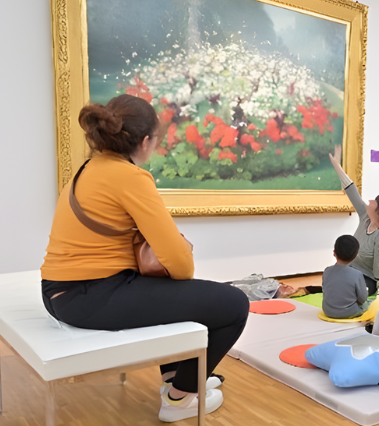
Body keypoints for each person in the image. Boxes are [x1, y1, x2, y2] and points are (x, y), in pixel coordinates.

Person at [40, 95, 249, 423]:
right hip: (88, 296)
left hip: (59, 292)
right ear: (147, 141)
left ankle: (174, 378)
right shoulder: (130, 177)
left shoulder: (88, 168)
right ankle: (180, 399)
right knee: (233, 304)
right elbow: (181, 265)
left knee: (174, 295)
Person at [329, 145, 379, 297]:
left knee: (351, 292)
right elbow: (351, 190)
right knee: (331, 282)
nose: (369, 201)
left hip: (366, 276)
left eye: (374, 202)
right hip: (348, 268)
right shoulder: (365, 216)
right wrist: (337, 165)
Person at [322, 235, 370, 319]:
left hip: (328, 311)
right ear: (356, 255)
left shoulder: (327, 271)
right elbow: (362, 299)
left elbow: (325, 291)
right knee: (369, 303)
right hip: (349, 312)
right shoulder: (357, 274)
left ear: (334, 253)